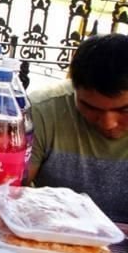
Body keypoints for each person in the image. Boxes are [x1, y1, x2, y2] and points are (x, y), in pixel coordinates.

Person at [29, 34, 128, 222]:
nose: (109, 123)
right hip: (52, 239)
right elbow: (7, 194)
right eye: (90, 107)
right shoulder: (40, 112)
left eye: (124, 110)